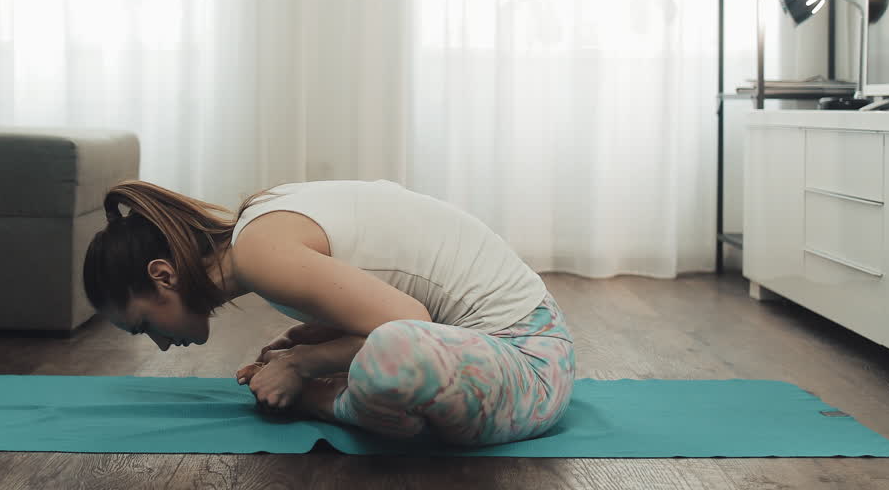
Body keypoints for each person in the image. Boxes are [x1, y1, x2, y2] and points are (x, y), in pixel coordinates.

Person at [82, 178, 575, 446]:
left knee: (393, 353)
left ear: (163, 276)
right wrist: (315, 345)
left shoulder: (259, 254)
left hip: (529, 366)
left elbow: (411, 324)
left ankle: (319, 400)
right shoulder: (257, 230)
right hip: (502, 359)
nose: (161, 344)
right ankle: (353, 400)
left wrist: (300, 368)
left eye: (144, 325)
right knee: (381, 354)